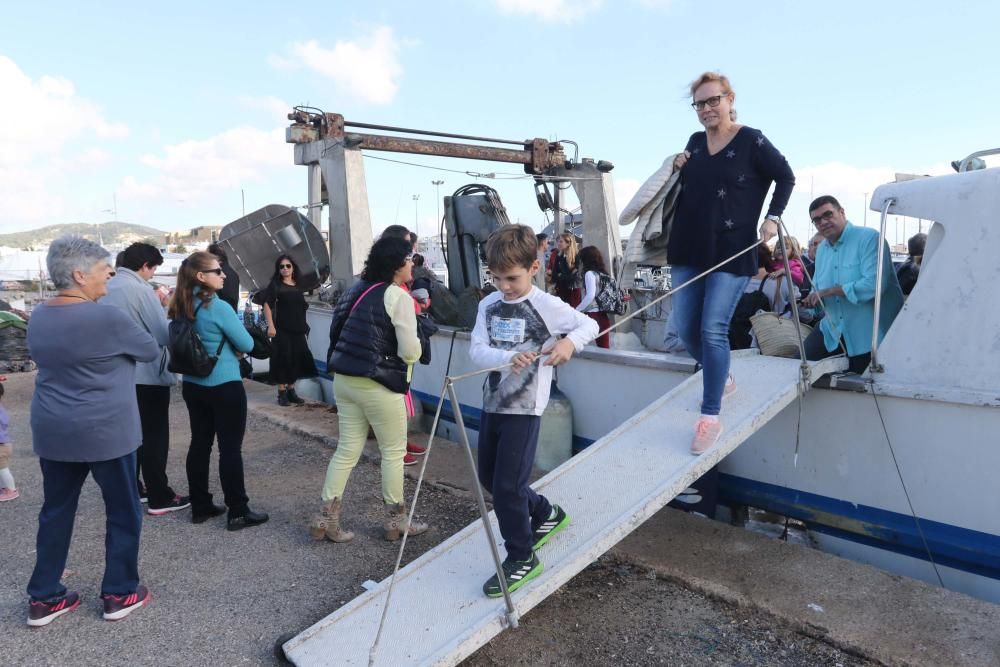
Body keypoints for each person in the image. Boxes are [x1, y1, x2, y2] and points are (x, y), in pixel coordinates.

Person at [26, 235, 159, 627]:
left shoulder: (39, 315)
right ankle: (119, 592)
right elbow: (150, 349)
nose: (110, 276)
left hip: (54, 429)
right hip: (107, 431)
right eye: (104, 270)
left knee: (56, 511)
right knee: (122, 511)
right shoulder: (107, 317)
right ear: (80, 275)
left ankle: (44, 597)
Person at [668, 71, 795, 455]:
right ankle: (721, 377)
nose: (707, 109)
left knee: (712, 329)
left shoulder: (752, 140)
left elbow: (785, 176)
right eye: (700, 104)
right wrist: (677, 164)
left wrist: (772, 216)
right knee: (686, 329)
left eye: (713, 100)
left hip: (732, 249)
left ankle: (709, 416)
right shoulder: (694, 142)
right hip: (688, 246)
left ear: (729, 99)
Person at [471, 224, 598, 597]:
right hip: (493, 400)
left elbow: (587, 324)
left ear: (534, 266)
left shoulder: (548, 306)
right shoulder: (487, 304)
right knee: (490, 478)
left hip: (526, 408)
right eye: (496, 278)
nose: (504, 286)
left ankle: (522, 557)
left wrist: (568, 346)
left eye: (511, 277)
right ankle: (545, 513)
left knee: (508, 488)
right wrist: (508, 357)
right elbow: (476, 350)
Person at [315, 236, 428, 543]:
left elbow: (338, 329)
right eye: (410, 260)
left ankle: (326, 518)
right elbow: (409, 352)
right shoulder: (398, 297)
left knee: (347, 450)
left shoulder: (356, 288)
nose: (413, 265)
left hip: (345, 380)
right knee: (392, 453)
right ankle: (396, 521)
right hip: (380, 384)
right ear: (396, 264)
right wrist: (418, 345)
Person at [169, 251, 268, 531]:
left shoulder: (181, 304)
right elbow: (248, 344)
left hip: (193, 384)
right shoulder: (219, 306)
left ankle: (200, 505)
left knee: (200, 445)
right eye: (217, 271)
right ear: (202, 276)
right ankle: (238, 510)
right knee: (230, 450)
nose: (224, 275)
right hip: (224, 385)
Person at [104, 242, 190, 516]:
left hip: (117, 375)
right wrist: (168, 310)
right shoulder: (141, 290)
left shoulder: (108, 287)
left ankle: (134, 488)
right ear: (145, 266)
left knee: (131, 437)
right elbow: (163, 335)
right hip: (147, 374)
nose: (152, 275)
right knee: (154, 437)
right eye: (152, 270)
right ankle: (159, 496)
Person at [801, 196, 904, 374]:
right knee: (796, 368)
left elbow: (875, 284)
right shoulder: (822, 249)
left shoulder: (870, 238)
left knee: (862, 387)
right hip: (832, 331)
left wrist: (829, 291)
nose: (823, 222)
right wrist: (812, 300)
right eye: (817, 220)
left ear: (842, 212)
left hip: (869, 335)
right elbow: (817, 288)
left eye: (828, 215)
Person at [259, 255, 318, 406]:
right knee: (282, 359)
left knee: (296, 358)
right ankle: (282, 392)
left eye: (288, 266)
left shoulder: (298, 284)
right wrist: (271, 326)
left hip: (297, 329)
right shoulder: (276, 285)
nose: (285, 269)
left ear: (293, 268)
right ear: (278, 270)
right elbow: (266, 305)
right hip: (282, 329)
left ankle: (292, 390)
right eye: (282, 266)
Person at [576, 245, 612, 349]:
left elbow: (590, 295)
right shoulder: (603, 274)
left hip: (593, 315)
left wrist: (577, 309)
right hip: (603, 315)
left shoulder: (589, 274)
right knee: (604, 347)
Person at [548, 232, 582, 307]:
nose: (558, 243)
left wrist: (561, 275)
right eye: (558, 241)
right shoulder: (559, 256)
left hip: (573, 290)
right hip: (561, 289)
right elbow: (554, 274)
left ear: (568, 243)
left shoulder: (577, 256)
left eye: (561, 241)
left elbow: (575, 276)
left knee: (573, 311)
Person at [208, 243, 240, 312]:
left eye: (208, 258)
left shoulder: (219, 273)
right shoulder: (232, 273)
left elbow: (227, 300)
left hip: (222, 315)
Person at [0, 383, 17, 502]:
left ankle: (12, 490)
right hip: (5, 444)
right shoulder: (1, 408)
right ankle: (5, 488)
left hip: (1, 446)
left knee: (3, 468)